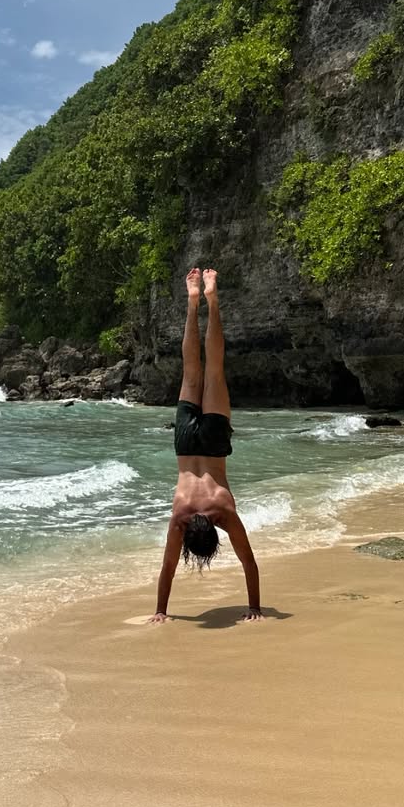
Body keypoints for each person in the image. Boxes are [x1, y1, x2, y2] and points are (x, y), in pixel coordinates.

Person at [150, 267, 262, 623]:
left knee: (213, 370)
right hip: (185, 446)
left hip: (213, 445)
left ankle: (210, 300)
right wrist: (159, 610)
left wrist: (256, 608)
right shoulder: (180, 517)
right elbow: (167, 569)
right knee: (191, 371)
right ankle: (192, 302)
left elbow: (249, 562)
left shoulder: (222, 513)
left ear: (212, 531)